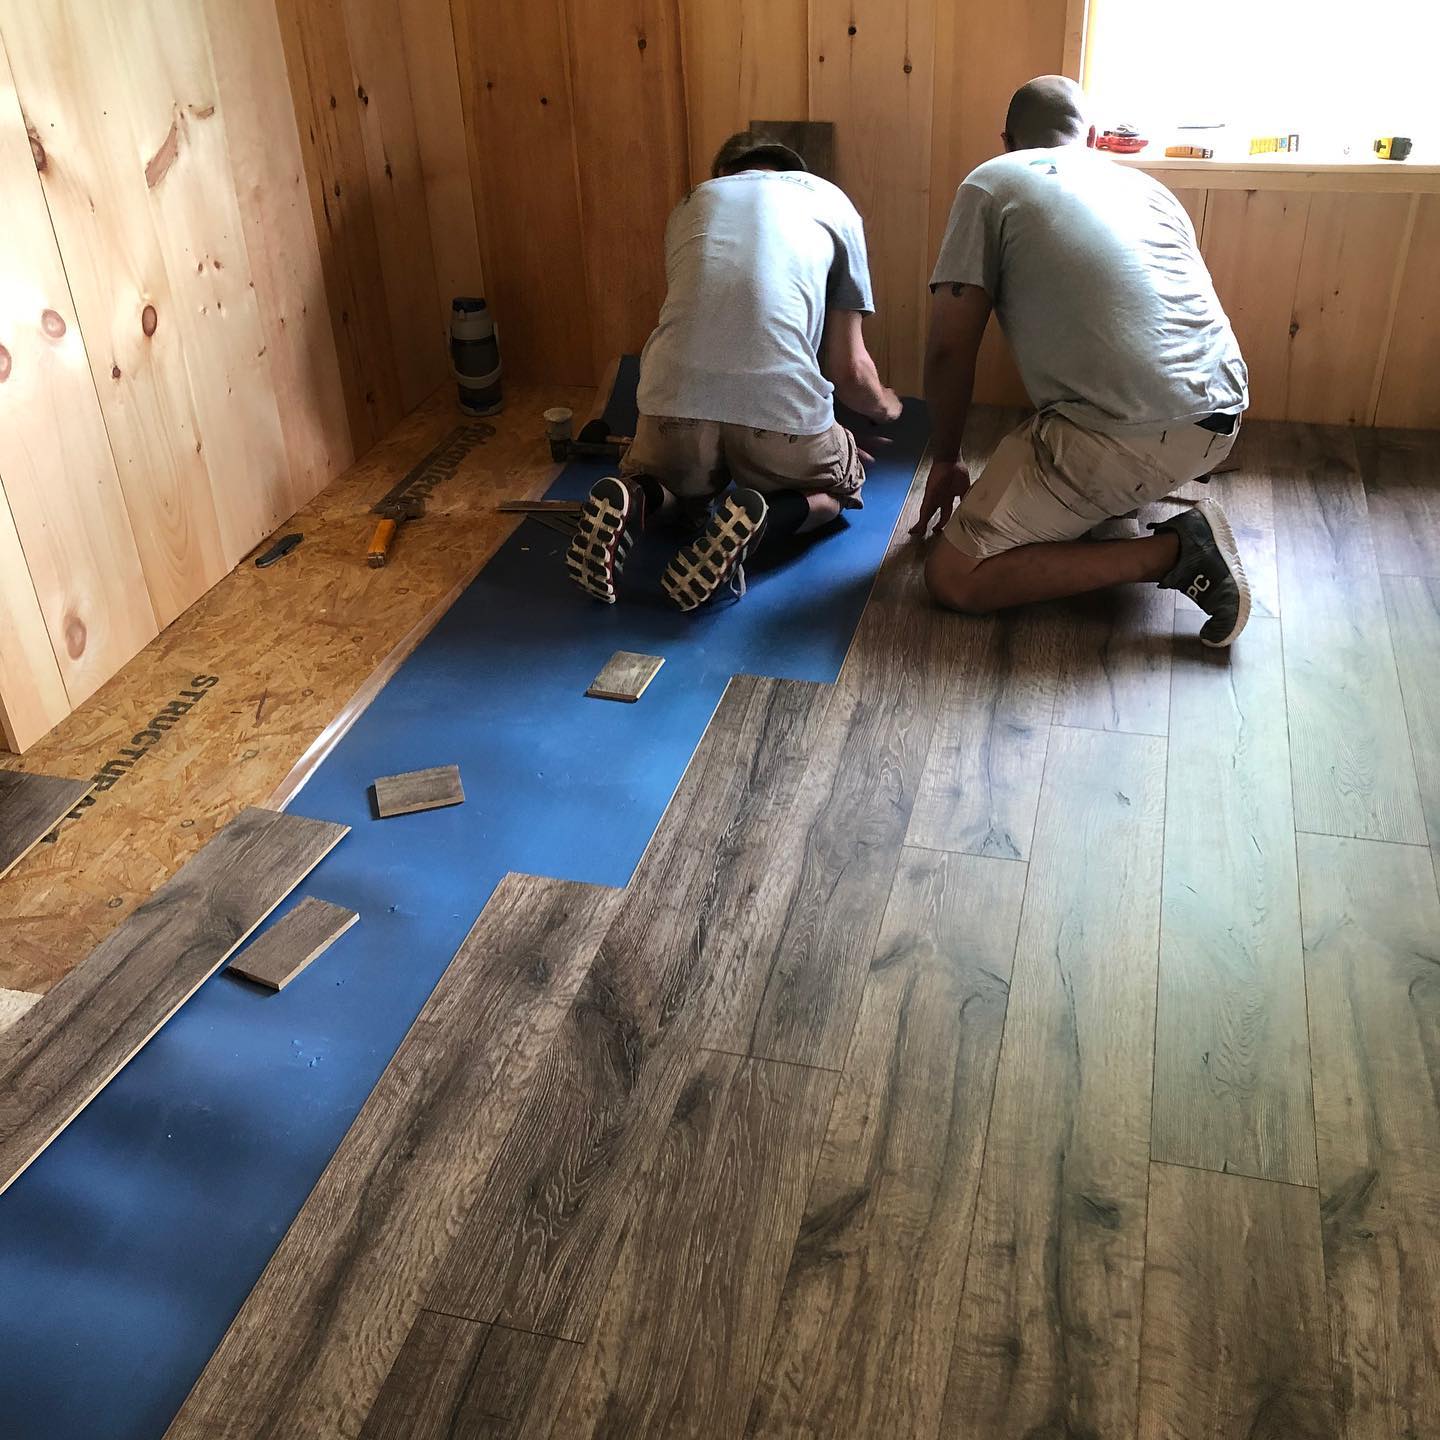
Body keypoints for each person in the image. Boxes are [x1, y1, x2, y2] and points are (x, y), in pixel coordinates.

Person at [914, 75, 1252, 646]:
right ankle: (1117, 491)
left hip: (1129, 435)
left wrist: (945, 458)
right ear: (1091, 135)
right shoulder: (1148, 188)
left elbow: (950, 347)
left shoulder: (992, 182)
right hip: (1223, 415)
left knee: (953, 578)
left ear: (1006, 141)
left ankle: (1176, 549)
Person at [567, 131, 903, 611]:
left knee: (682, 495)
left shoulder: (691, 205)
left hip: (670, 402)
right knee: (838, 490)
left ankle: (635, 494)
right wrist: (885, 409)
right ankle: (766, 515)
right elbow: (849, 371)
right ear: (793, 172)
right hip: (779, 413)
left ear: (725, 175)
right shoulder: (833, 204)